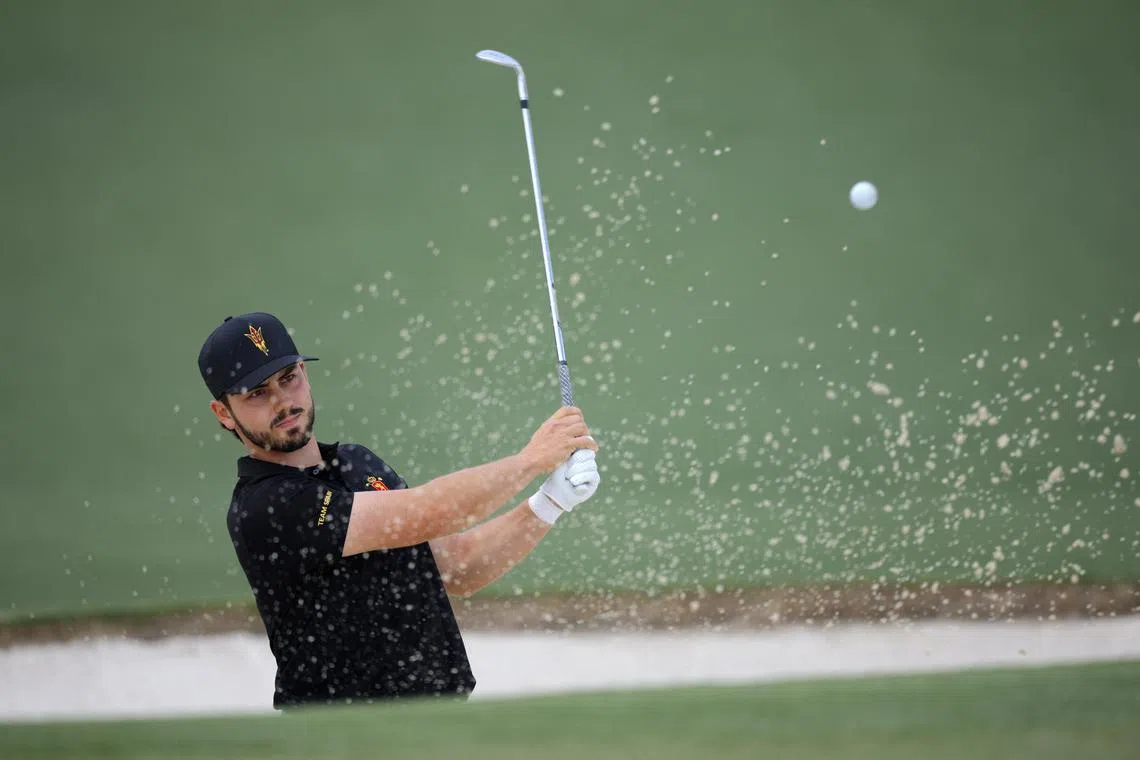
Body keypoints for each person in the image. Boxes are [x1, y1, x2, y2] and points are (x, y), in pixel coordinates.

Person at [197, 311, 601, 710]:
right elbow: (433, 510)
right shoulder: (265, 505)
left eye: (289, 379)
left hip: (438, 716)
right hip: (343, 735)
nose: (283, 401)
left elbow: (459, 566)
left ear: (304, 371)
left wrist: (551, 501)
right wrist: (531, 461)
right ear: (223, 414)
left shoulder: (356, 463)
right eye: (257, 393)